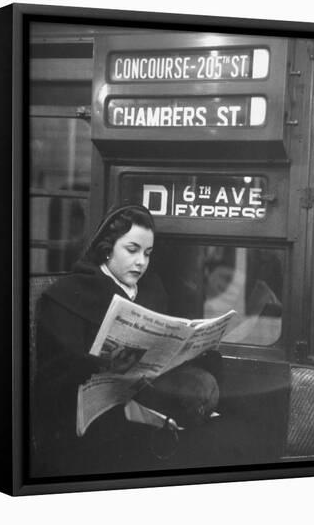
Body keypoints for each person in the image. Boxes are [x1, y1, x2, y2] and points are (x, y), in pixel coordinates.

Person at [31, 204, 222, 478]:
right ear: (108, 247)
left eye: (147, 253)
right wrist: (103, 364)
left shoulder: (152, 288)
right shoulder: (67, 294)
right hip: (89, 424)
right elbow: (54, 378)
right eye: (132, 250)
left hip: (145, 402)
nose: (141, 262)